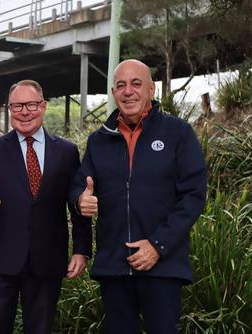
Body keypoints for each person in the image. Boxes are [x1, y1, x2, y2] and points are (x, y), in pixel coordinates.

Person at [69, 59, 207, 333]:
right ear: (113, 92)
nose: (128, 91)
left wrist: (157, 245)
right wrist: (79, 200)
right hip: (114, 267)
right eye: (121, 85)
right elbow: (78, 187)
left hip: (163, 266)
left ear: (151, 90)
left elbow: (194, 196)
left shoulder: (178, 133)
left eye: (136, 83)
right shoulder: (99, 140)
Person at [0, 80, 91, 334]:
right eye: (17, 106)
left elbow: (77, 200)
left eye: (31, 105)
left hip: (47, 259)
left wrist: (81, 249)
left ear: (44, 106)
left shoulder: (67, 151)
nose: (24, 112)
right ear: (9, 109)